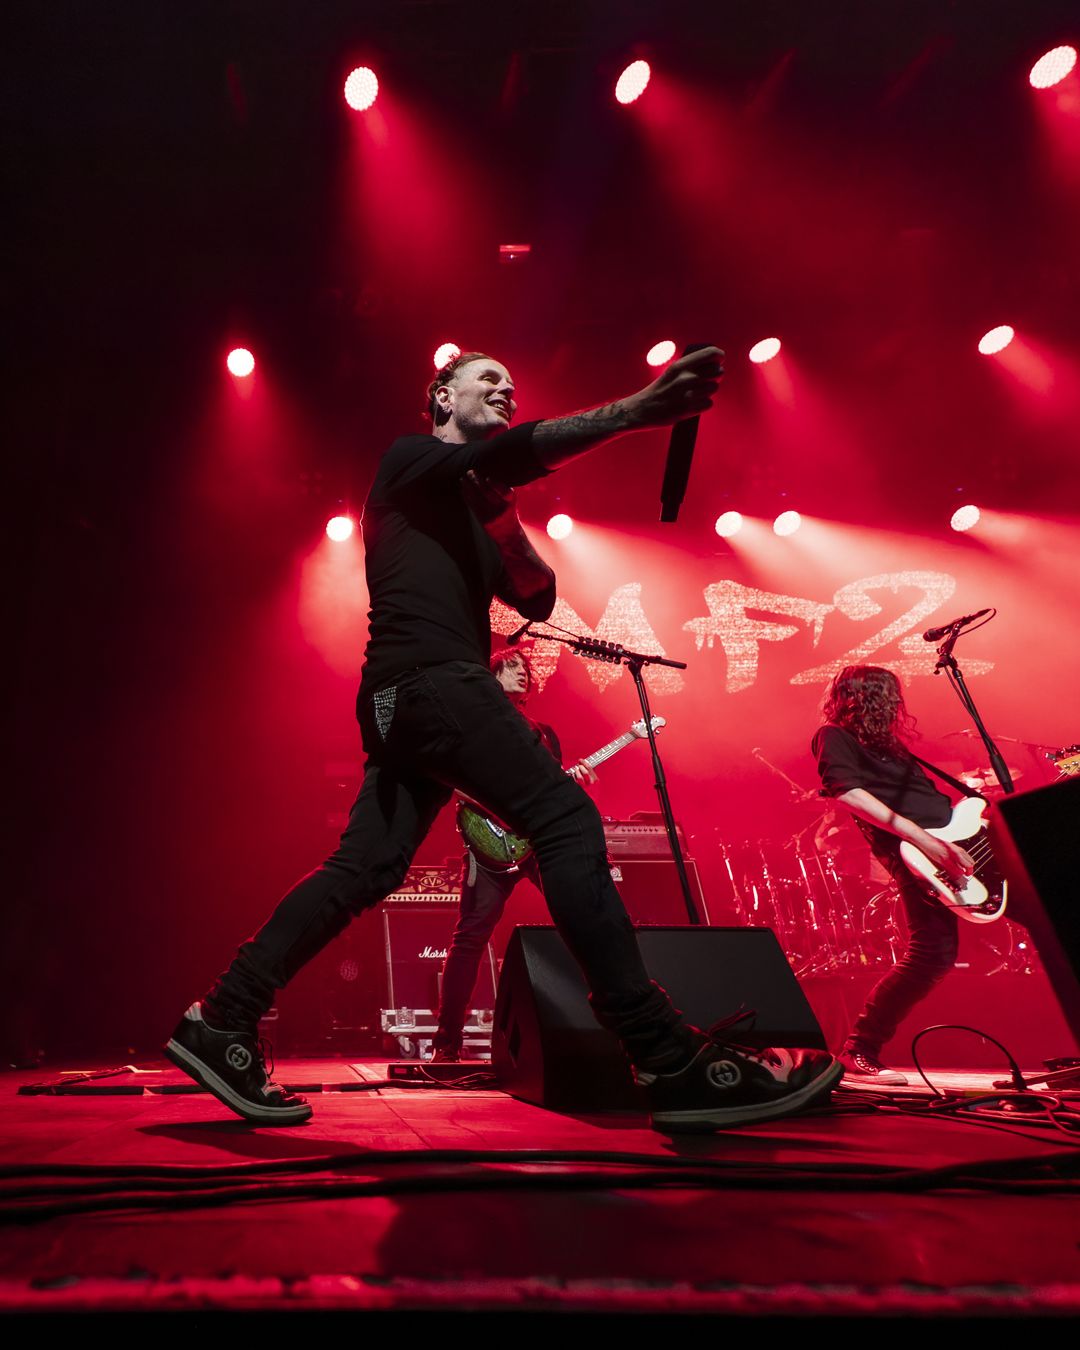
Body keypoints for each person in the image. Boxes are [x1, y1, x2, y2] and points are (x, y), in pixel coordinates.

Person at [166, 345, 841, 1131]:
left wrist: (503, 514)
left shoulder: (473, 507)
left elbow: (537, 592)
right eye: (486, 379)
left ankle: (221, 1017)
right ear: (442, 396)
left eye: (509, 384)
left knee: (367, 866)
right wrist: (637, 412)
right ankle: (663, 1054)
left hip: (402, 698)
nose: (506, 388)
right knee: (565, 820)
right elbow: (519, 451)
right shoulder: (409, 462)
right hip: (430, 681)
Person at [431, 647, 597, 1062]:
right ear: (492, 674)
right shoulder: (474, 722)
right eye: (512, 667)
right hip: (488, 840)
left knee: (584, 916)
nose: (523, 673)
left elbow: (549, 793)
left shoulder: (544, 732)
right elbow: (454, 781)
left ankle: (611, 1026)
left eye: (527, 669)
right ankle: (445, 1043)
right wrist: (502, 814)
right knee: (470, 937)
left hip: (536, 841)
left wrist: (574, 783)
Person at [813, 664, 976, 1085]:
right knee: (931, 955)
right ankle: (858, 1050)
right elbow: (847, 793)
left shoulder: (891, 745)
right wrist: (927, 842)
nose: (897, 706)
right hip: (918, 853)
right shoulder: (834, 736)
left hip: (957, 844)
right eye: (890, 697)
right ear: (869, 698)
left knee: (1046, 916)